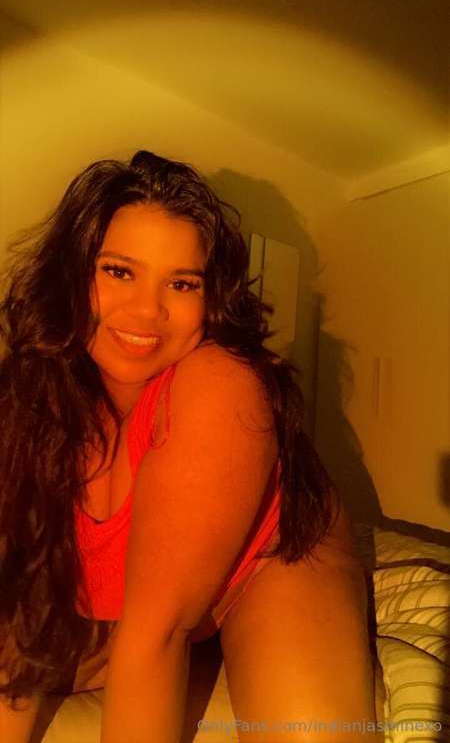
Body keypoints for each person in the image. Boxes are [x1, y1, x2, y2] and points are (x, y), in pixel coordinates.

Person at [0, 150, 384, 742]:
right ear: (72, 274)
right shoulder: (32, 400)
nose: (147, 310)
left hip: (273, 555)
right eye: (119, 271)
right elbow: (20, 616)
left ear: (211, 297)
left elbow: (154, 636)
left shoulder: (218, 385)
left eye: (182, 283)